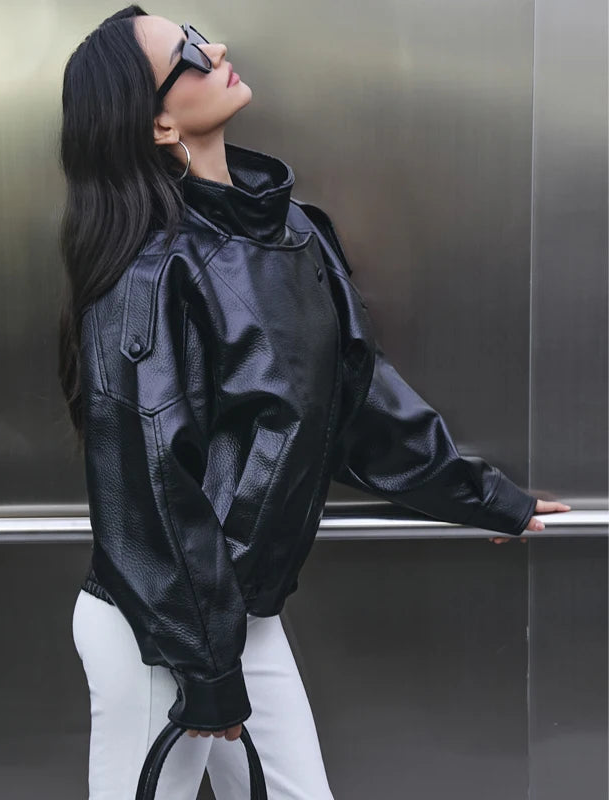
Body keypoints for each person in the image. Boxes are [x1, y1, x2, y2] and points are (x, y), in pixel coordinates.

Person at [57, 6, 571, 798]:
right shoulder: (145, 272)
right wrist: (206, 665)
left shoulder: (294, 232)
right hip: (158, 627)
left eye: (199, 32)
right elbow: (144, 484)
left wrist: (488, 499)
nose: (216, 48)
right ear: (159, 122)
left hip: (241, 615)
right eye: (188, 54)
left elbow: (358, 401)